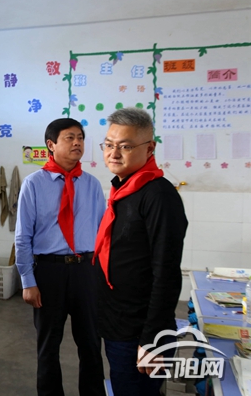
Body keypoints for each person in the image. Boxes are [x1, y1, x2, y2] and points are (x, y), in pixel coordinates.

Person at [93, 107, 188, 396]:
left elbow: (166, 273)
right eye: (109, 145)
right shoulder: (124, 190)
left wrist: (152, 340)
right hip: (118, 322)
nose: (114, 153)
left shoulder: (158, 196)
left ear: (149, 148)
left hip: (140, 331)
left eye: (125, 146)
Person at [15, 118, 106, 396]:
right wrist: (28, 281)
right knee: (48, 346)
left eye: (80, 137)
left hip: (85, 271)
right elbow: (23, 236)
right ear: (51, 145)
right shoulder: (33, 184)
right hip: (48, 273)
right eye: (69, 137)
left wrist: (101, 276)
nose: (77, 142)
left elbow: (103, 234)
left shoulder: (92, 184)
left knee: (91, 344)